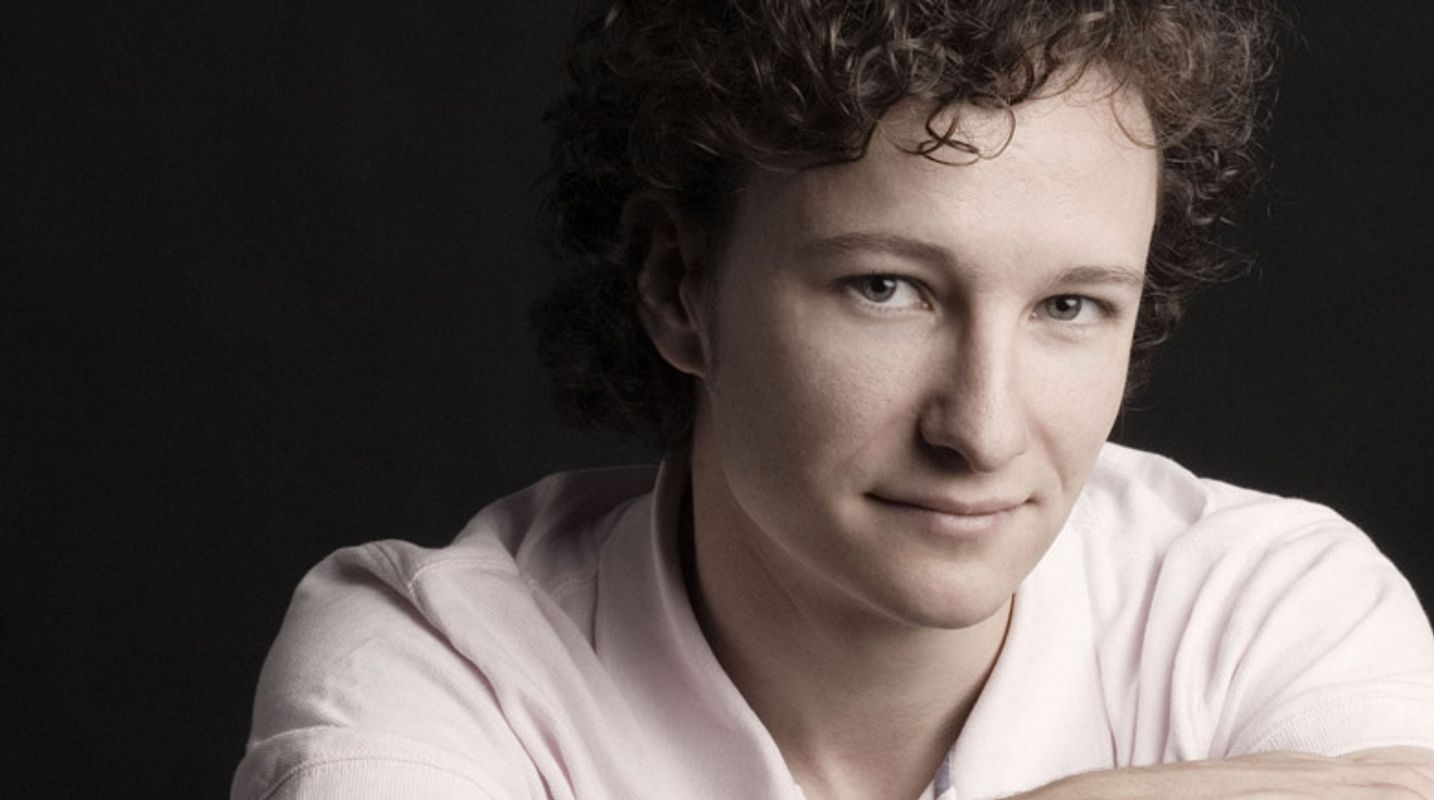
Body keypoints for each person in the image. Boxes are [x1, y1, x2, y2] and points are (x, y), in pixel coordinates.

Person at [233, 2, 1434, 798]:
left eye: (1070, 305)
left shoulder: (1269, 607)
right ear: (678, 284)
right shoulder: (435, 662)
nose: (983, 428)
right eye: (887, 287)